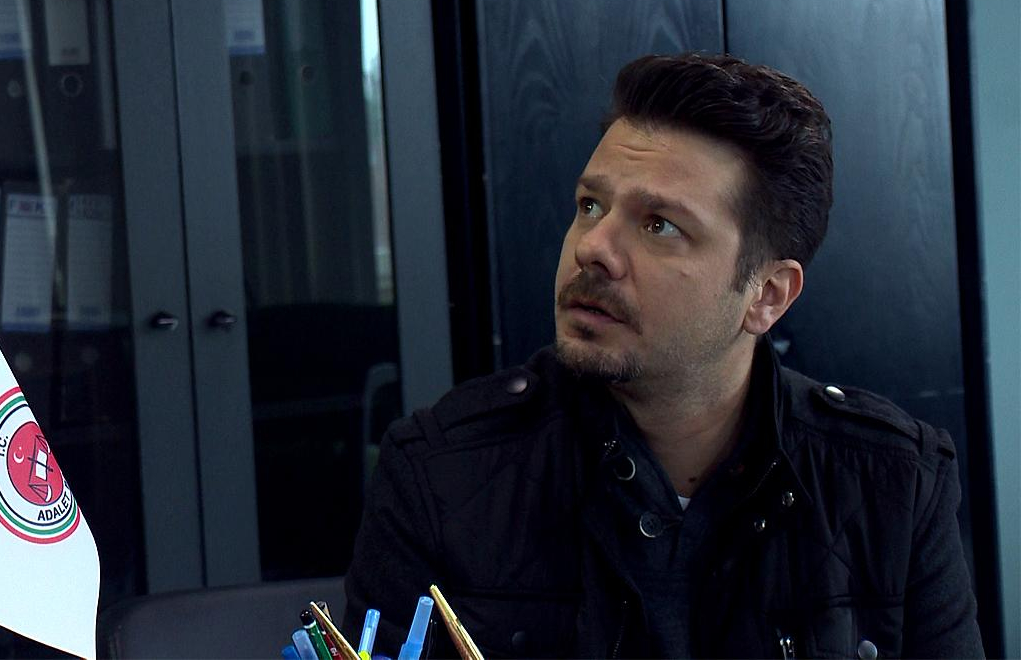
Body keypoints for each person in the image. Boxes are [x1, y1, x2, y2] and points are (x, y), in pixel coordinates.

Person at [341, 54, 983, 658]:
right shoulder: (439, 476)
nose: (592, 248)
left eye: (659, 225)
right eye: (590, 205)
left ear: (766, 295)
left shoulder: (895, 486)